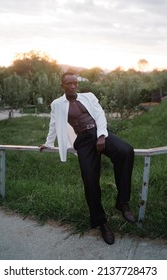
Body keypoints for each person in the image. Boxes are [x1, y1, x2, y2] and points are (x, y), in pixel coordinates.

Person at [39, 72, 136, 245]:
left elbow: (99, 115)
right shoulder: (57, 104)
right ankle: (102, 223)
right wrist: (47, 143)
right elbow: (53, 125)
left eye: (75, 83)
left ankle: (122, 202)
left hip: (99, 133)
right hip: (82, 140)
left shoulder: (89, 96)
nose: (73, 86)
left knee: (126, 151)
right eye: (69, 83)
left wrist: (101, 136)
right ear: (62, 86)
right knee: (90, 180)